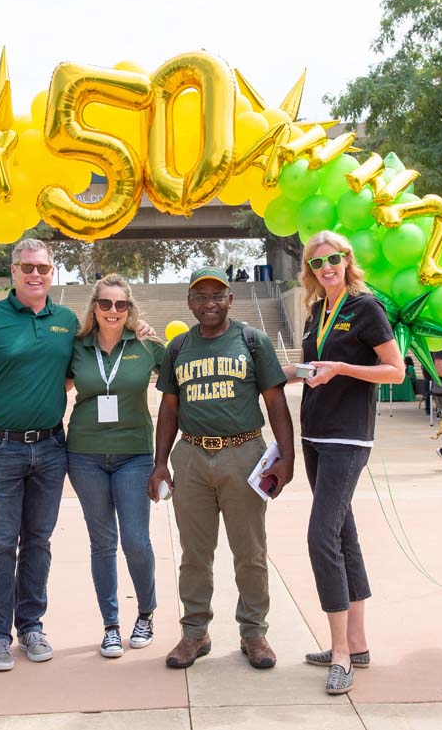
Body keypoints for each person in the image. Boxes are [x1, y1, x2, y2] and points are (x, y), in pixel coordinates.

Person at [148, 267, 294, 671]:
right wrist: (160, 463)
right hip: (192, 456)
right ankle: (195, 632)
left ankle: (254, 633)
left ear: (230, 299)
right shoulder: (178, 347)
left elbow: (276, 402)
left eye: (217, 296)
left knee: (249, 552)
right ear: (189, 302)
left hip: (243, 452)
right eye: (200, 297)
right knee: (195, 553)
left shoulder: (252, 340)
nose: (208, 304)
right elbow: (169, 408)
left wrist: (287, 455)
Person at [280, 231, 404, 696]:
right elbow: (315, 366)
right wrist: (285, 373)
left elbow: (396, 370)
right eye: (317, 262)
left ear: (347, 260)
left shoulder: (365, 307)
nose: (326, 267)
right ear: (309, 271)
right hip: (314, 434)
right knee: (343, 536)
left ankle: (340, 655)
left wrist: (342, 368)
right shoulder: (317, 311)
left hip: (347, 438)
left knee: (320, 538)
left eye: (334, 259)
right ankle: (357, 642)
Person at [0, 238, 78, 673]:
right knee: (1, 544)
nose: (35, 274)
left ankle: (32, 625)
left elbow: (73, 374)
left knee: (39, 542)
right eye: (27, 268)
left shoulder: (65, 320)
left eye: (42, 267)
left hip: (50, 447)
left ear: (52, 271)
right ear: (13, 272)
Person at [65, 275, 164, 658]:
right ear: (94, 307)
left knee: (136, 540)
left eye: (120, 305)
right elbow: (54, 386)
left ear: (130, 309)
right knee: (102, 543)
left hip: (134, 455)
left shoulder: (145, 345)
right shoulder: (76, 348)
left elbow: (179, 380)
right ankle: (110, 625)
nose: (112, 311)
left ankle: (145, 613)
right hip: (85, 455)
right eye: (105, 304)